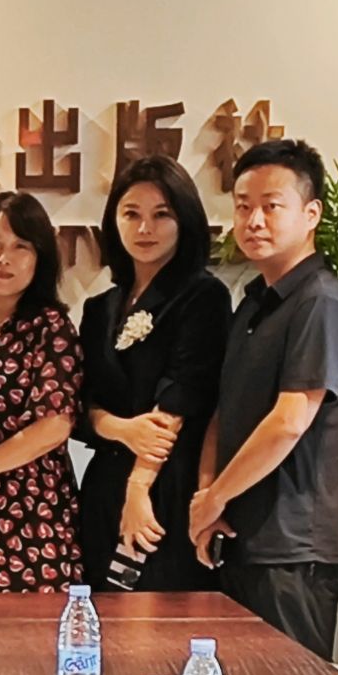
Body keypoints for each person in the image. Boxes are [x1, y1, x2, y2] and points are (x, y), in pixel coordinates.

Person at [190, 139, 338, 658]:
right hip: (241, 539)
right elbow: (224, 412)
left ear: (311, 214)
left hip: (293, 551)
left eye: (271, 206)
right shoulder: (254, 303)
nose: (254, 221)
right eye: (243, 207)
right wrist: (208, 500)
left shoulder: (320, 302)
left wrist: (215, 497)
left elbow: (290, 421)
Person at [77, 155, 231, 591]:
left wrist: (138, 487)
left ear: (185, 220)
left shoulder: (203, 295)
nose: (145, 228)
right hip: (105, 483)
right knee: (100, 607)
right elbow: (81, 402)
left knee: (156, 613)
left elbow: (181, 397)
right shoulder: (101, 308)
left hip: (165, 484)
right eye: (132, 214)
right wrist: (121, 429)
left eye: (162, 215)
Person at [0, 191, 84, 593]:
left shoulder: (50, 326)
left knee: (23, 626)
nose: (3, 258)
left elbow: (54, 426)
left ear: (40, 258)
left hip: (30, 509)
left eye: (21, 246)